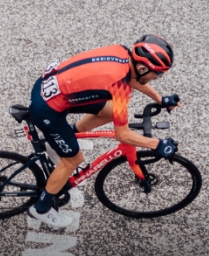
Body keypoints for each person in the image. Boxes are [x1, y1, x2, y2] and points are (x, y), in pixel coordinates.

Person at [27, 34, 180, 227]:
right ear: (143, 68)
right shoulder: (120, 89)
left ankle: (60, 140)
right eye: (158, 74)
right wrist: (157, 144)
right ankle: (41, 209)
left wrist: (159, 99)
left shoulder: (123, 52)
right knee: (73, 160)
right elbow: (122, 134)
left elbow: (131, 79)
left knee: (108, 112)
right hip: (47, 108)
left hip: (50, 86)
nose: (158, 77)